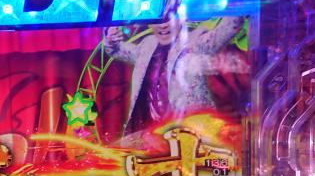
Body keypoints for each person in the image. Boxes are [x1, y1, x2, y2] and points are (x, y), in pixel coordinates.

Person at [104, 14, 249, 136]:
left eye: (169, 18)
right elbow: (116, 50)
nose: (163, 25)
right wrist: (110, 36)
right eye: (158, 20)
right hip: (148, 134)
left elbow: (229, 27)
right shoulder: (147, 44)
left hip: (188, 134)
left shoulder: (195, 41)